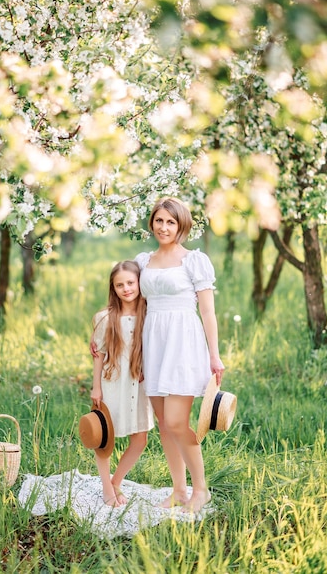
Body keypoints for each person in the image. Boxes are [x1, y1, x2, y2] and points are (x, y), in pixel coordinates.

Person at [134, 197, 225, 514]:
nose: (163, 227)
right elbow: (136, 305)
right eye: (159, 221)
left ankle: (201, 490)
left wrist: (215, 356)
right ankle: (178, 490)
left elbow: (208, 311)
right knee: (163, 423)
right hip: (153, 342)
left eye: (170, 222)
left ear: (181, 225)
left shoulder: (193, 261)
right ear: (152, 223)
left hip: (183, 341)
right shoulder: (143, 260)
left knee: (176, 421)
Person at [89, 260, 154, 507]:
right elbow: (99, 355)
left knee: (140, 439)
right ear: (113, 288)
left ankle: (116, 482)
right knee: (105, 437)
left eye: (130, 282)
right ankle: (107, 488)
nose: (126, 289)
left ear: (140, 283)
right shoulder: (105, 318)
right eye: (119, 285)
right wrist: (96, 387)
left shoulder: (150, 315)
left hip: (138, 384)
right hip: (112, 384)